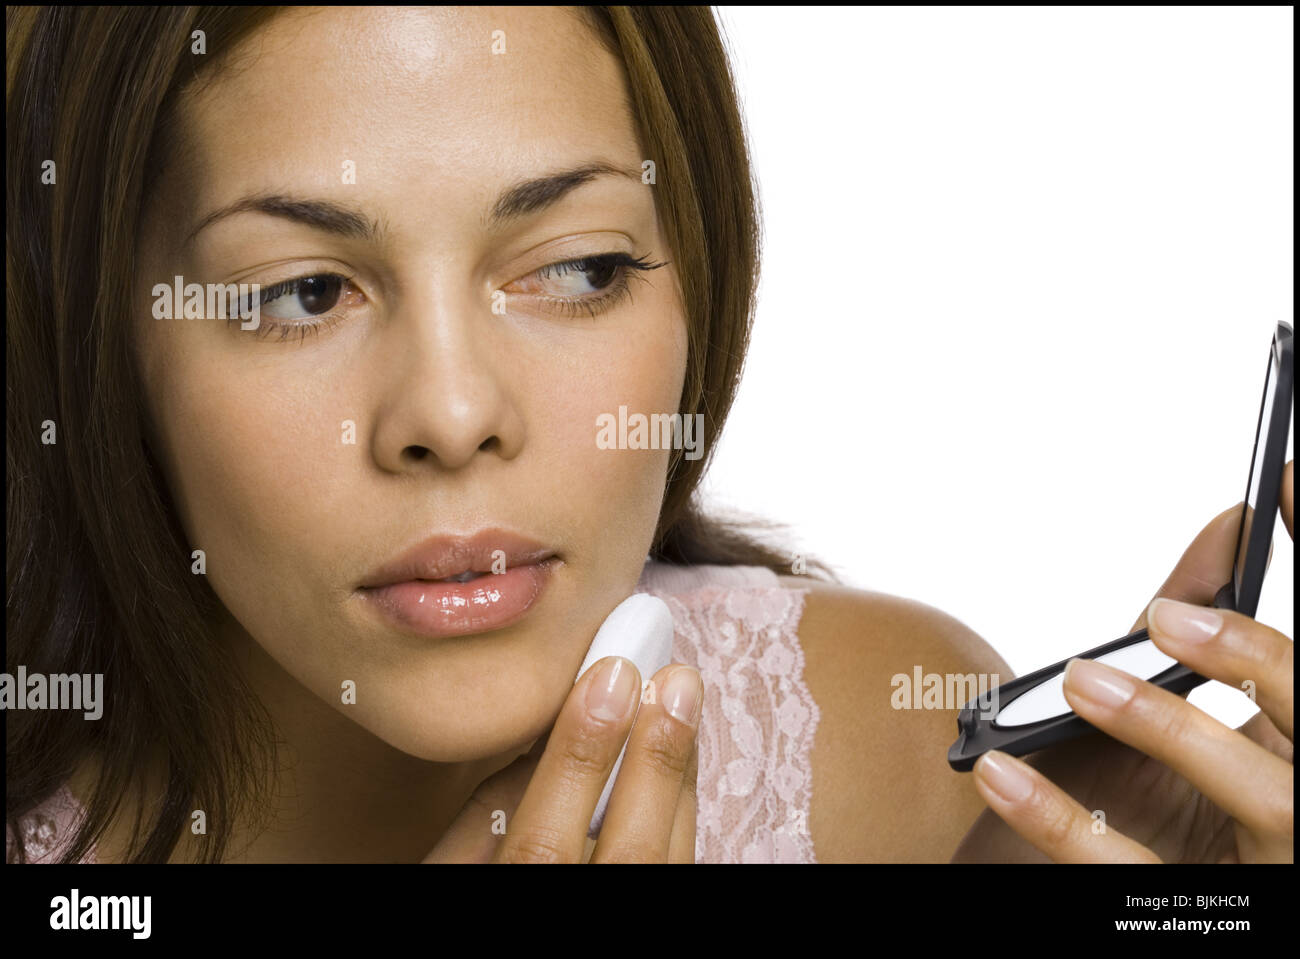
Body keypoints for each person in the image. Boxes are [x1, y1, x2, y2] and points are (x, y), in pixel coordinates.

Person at [6, 6, 1292, 864]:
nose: (452, 417)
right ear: (109, 341)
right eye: (301, 292)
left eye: (574, 269)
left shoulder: (872, 750)